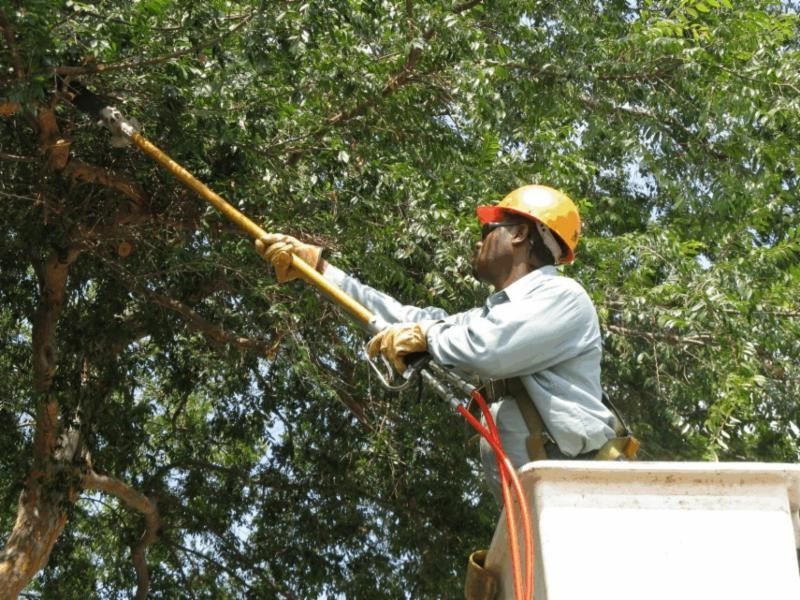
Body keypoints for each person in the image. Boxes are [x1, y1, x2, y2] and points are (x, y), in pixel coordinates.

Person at [256, 184, 628, 501]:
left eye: (489, 230)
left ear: (518, 234)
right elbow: (405, 320)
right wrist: (320, 272)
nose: (480, 241)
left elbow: (485, 348)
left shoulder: (562, 296)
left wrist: (426, 337)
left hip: (587, 494)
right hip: (538, 501)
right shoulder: (489, 317)